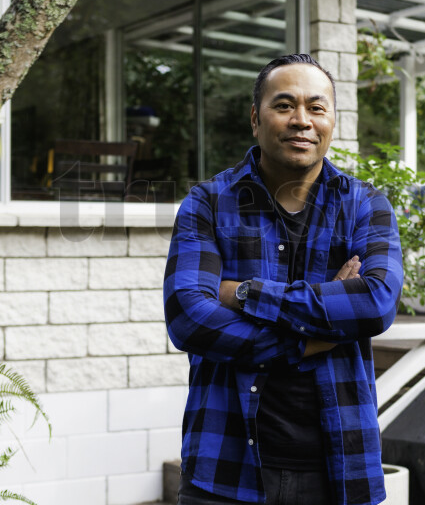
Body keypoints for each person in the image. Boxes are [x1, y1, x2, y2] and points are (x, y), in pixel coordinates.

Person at [164, 53, 403, 505]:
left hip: (339, 473)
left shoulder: (366, 206)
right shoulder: (208, 204)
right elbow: (188, 318)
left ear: (332, 121)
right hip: (224, 469)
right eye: (284, 105)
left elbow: (374, 303)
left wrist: (246, 293)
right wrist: (311, 337)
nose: (302, 121)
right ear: (256, 119)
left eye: (316, 108)